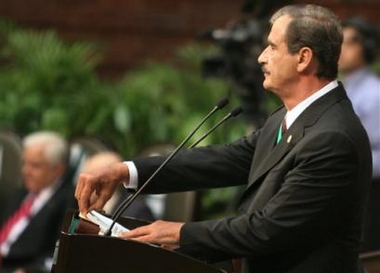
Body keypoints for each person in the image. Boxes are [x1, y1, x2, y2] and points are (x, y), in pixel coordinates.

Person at [75, 4, 372, 273]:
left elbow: (269, 228)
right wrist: (126, 170)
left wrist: (179, 233)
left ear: (303, 58)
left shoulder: (333, 138)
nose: (261, 57)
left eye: (271, 47)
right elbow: (221, 160)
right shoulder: (287, 117)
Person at [0, 131, 76, 273]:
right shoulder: (23, 192)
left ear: (57, 170)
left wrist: (30, 270)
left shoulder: (68, 201)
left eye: (35, 166)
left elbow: (59, 254)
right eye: (24, 164)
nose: (25, 171)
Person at [338, 17, 380, 253]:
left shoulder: (375, 94)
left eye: (350, 43)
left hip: (370, 200)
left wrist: (345, 163)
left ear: (368, 48)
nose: (341, 50)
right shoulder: (342, 88)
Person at [82, 151, 155, 221]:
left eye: (89, 181)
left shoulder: (137, 211)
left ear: (107, 182)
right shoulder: (86, 209)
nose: (82, 187)